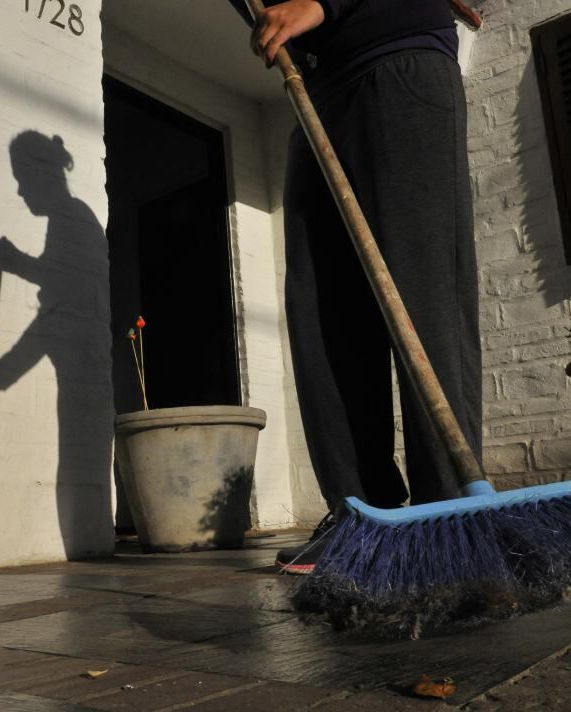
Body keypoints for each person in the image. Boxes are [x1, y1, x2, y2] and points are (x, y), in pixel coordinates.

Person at [229, 0, 482, 574]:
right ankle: (362, 516)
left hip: (396, 57)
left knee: (423, 291)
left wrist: (322, 4)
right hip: (318, 89)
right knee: (323, 308)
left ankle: (450, 514)